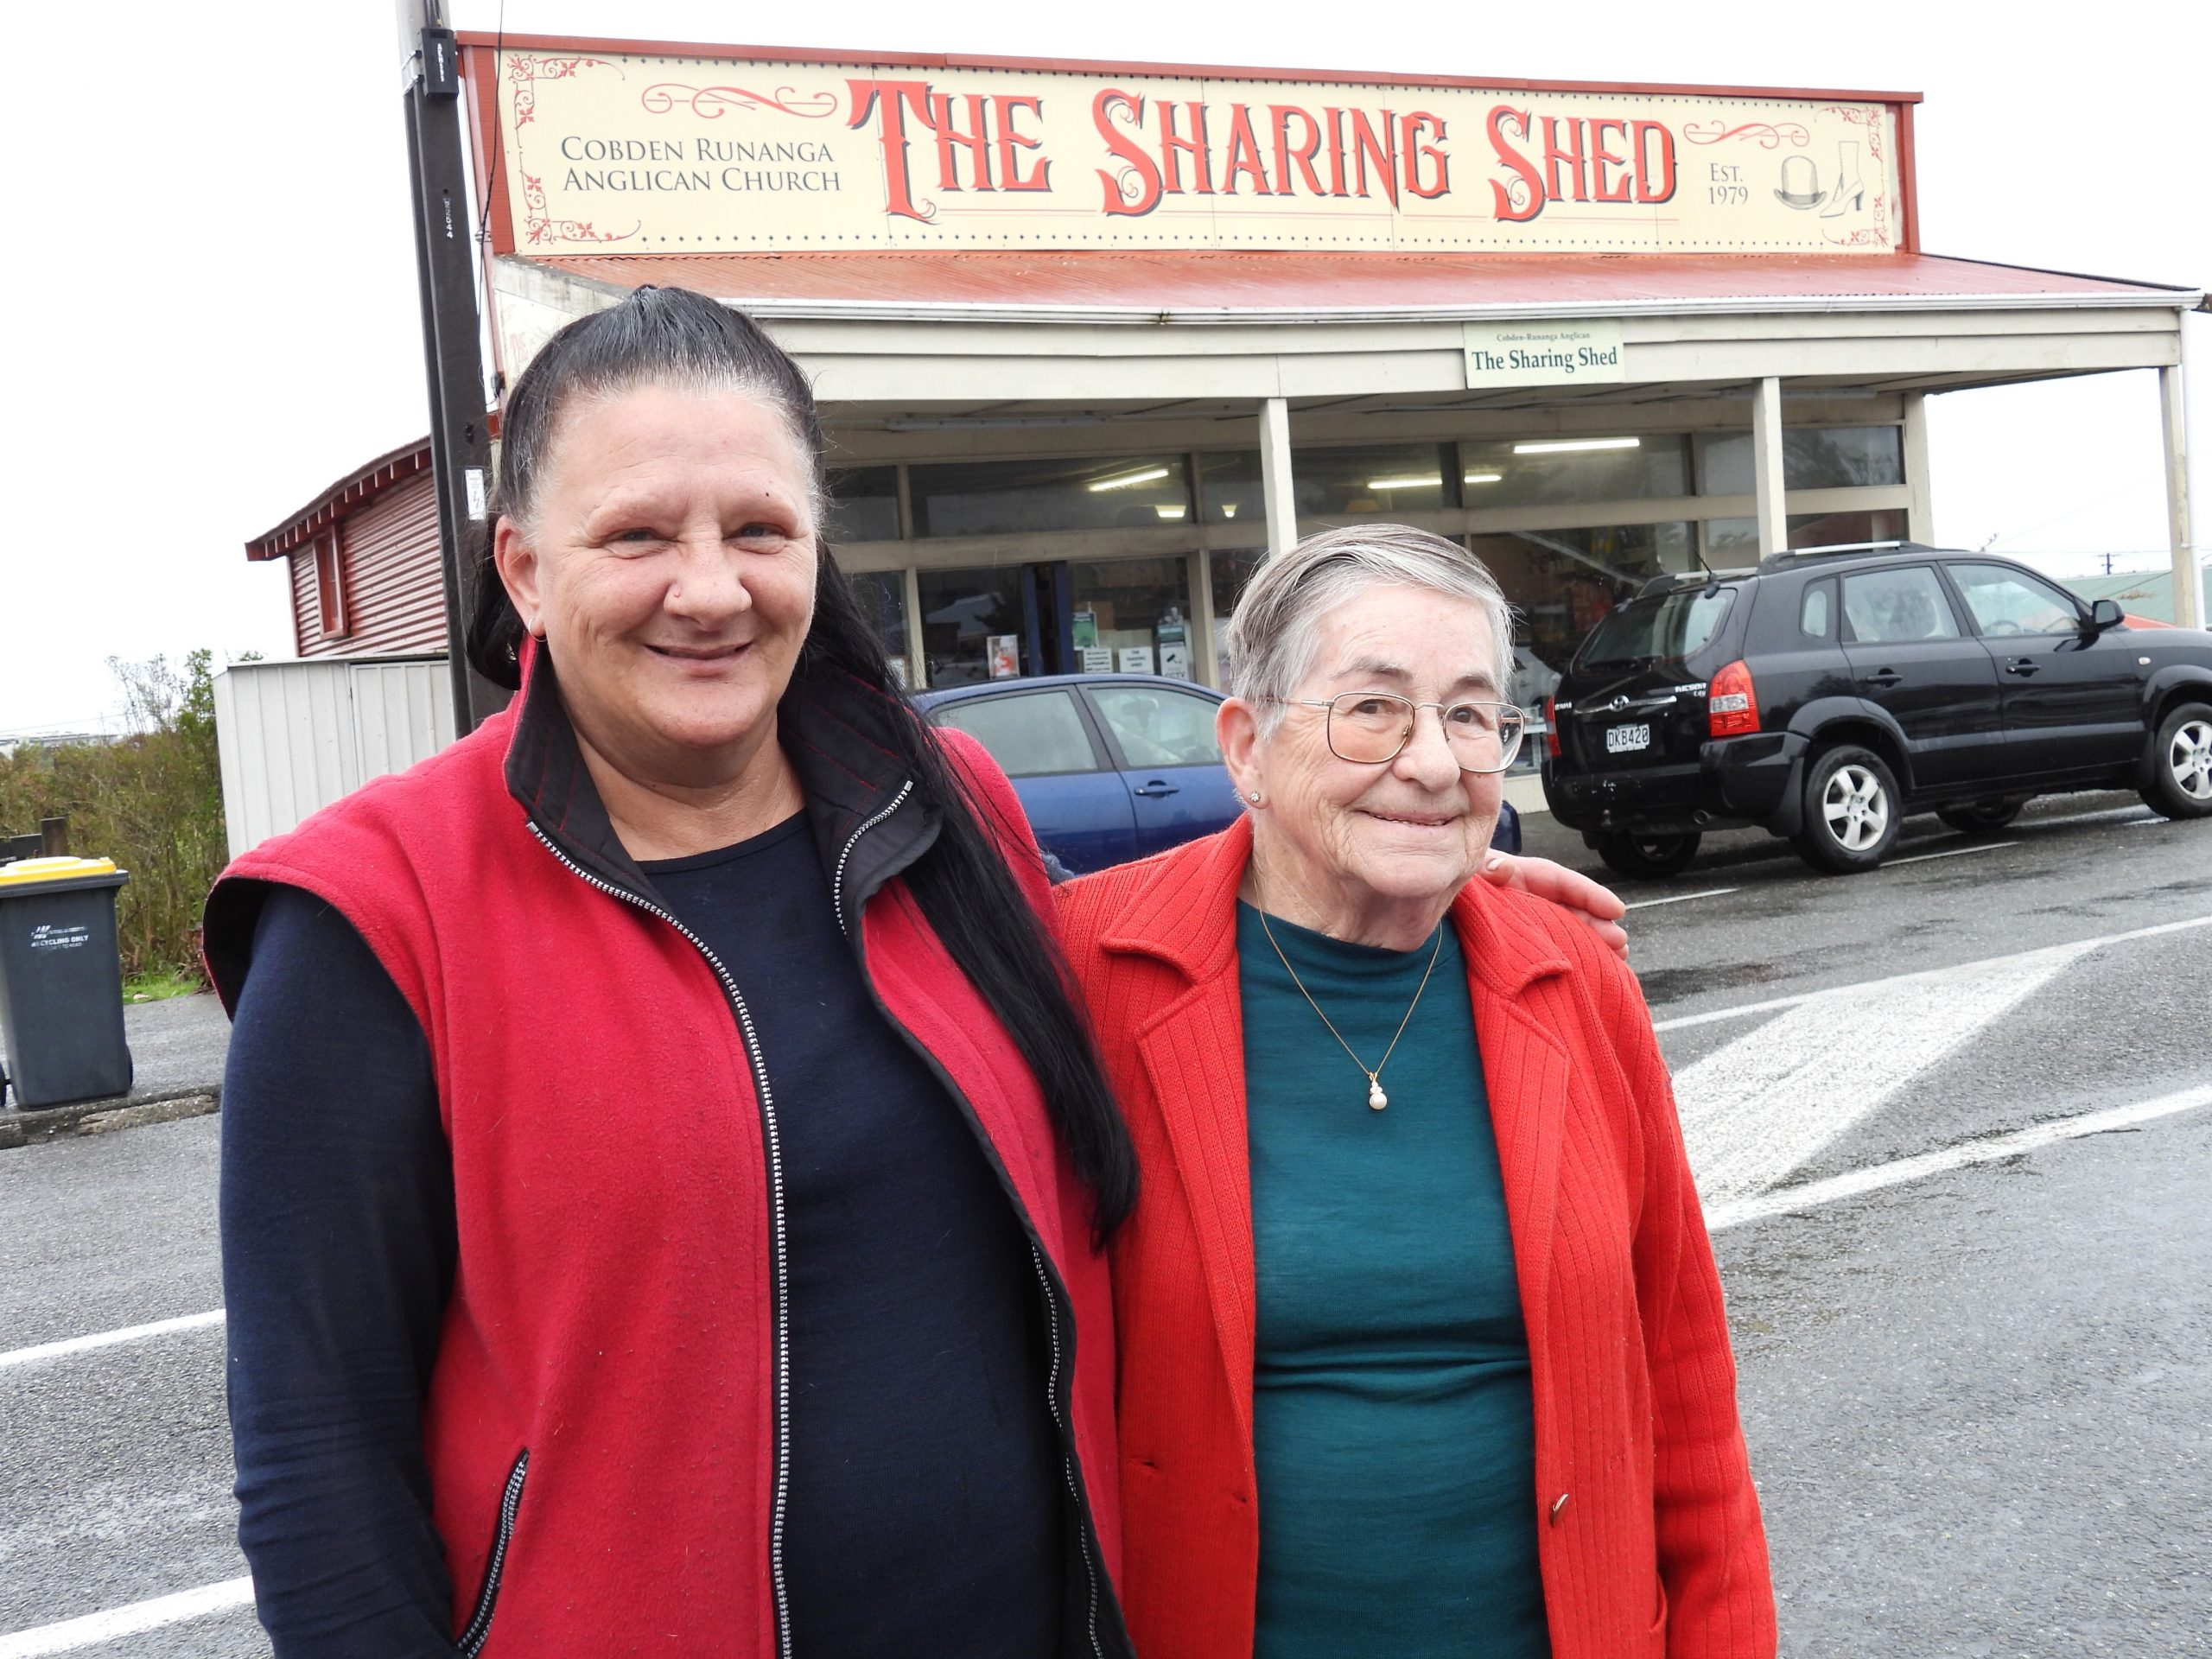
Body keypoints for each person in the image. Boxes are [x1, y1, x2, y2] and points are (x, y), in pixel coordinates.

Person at [205, 288, 1137, 1657]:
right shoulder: (374, 918)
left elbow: (1166, 997)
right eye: (636, 534)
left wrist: (1443, 908)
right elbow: (314, 1460)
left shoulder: (947, 807)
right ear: (524, 570)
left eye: (758, 529)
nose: (709, 590)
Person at [1056, 524, 1777, 1659]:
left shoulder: (1576, 981)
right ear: (1245, 749)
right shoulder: (1083, 978)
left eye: (1472, 713)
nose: (1436, 763)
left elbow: (1686, 1399)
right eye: (1374, 709)